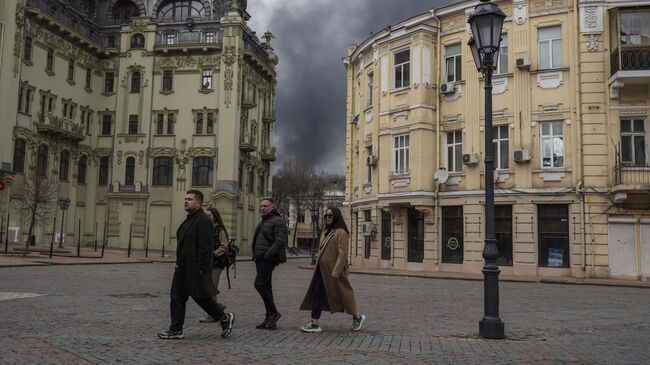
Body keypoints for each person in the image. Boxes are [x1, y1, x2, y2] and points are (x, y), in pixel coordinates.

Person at [158, 190, 235, 340]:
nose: (186, 201)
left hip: (194, 269)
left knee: (201, 297)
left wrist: (201, 269)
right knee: (177, 297)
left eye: (190, 199)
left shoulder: (202, 220)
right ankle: (176, 329)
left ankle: (224, 318)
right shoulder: (190, 219)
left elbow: (205, 248)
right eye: (185, 199)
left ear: (199, 203)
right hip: (182, 268)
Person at [299, 206, 366, 333]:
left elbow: (342, 254)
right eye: (326, 216)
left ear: (336, 216)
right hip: (322, 270)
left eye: (330, 215)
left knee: (344, 294)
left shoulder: (341, 232)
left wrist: (336, 271)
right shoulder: (325, 231)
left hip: (335, 271)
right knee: (317, 293)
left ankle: (357, 316)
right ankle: (315, 322)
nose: (328, 218)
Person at [251, 197, 288, 330]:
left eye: (265, 206)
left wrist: (268, 255)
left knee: (259, 284)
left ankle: (274, 312)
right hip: (260, 258)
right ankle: (269, 318)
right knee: (267, 286)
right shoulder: (263, 222)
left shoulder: (278, 221)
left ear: (272, 207)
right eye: (261, 206)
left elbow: (280, 241)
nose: (262, 208)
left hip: (268, 259)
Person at [198, 207, 229, 323]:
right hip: (206, 263)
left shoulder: (219, 229)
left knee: (211, 289)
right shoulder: (206, 228)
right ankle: (217, 308)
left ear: (215, 217)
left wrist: (214, 253)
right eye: (206, 215)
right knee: (207, 288)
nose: (207, 217)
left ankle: (213, 314)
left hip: (216, 264)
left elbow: (224, 245)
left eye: (209, 215)